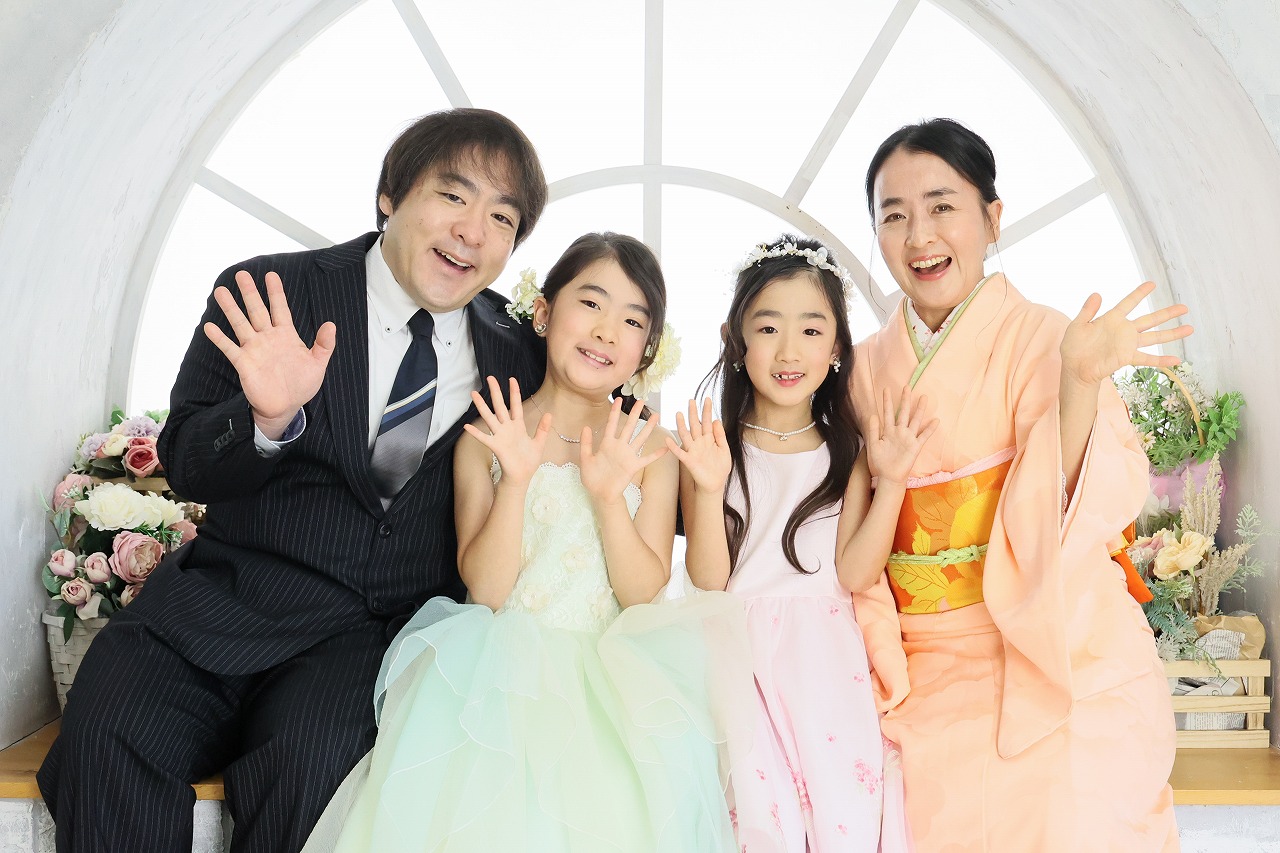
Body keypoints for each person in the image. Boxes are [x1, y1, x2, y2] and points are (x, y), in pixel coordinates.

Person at [37, 108, 549, 852]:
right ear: (390, 195)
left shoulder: (519, 349)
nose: (473, 231)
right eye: (452, 195)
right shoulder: (268, 292)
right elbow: (186, 459)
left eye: (502, 218)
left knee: (315, 777)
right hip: (219, 605)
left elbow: (589, 419)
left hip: (364, 644)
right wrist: (265, 419)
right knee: (107, 734)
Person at [303, 232, 752, 852]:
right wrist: (514, 480)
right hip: (495, 684)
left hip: (613, 692)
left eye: (632, 320)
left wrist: (608, 499)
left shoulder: (649, 445)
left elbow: (642, 592)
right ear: (543, 313)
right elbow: (486, 591)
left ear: (647, 348)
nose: (606, 331)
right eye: (590, 303)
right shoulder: (486, 436)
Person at [852, 118, 1185, 850]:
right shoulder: (866, 365)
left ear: (992, 218)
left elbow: (1075, 503)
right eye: (894, 215)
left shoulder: (1047, 338)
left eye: (942, 207)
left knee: (1070, 803)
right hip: (917, 654)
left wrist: (1079, 382)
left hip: (1051, 638)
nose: (919, 236)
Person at [670, 234, 922, 852]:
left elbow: (854, 573)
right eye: (768, 328)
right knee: (760, 821)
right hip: (738, 657)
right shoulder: (713, 448)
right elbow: (709, 580)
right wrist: (709, 487)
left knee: (844, 818)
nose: (789, 351)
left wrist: (890, 482)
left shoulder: (847, 450)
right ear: (736, 341)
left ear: (836, 348)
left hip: (826, 660)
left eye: (811, 330)